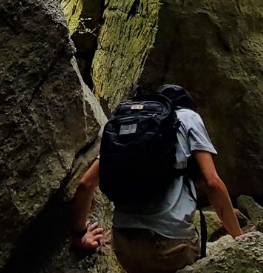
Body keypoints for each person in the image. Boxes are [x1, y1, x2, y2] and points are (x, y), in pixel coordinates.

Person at [69, 84, 243, 272]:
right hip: (168, 244)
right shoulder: (188, 117)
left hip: (123, 243)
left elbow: (86, 184)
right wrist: (241, 241)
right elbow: (212, 182)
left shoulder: (123, 122)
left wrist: (80, 235)